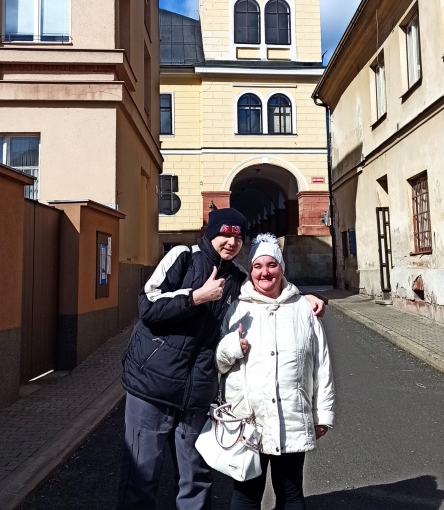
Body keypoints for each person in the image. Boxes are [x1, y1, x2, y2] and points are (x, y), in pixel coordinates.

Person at [117, 209, 327, 510]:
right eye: (225, 234)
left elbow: (268, 289)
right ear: (211, 233)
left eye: (238, 237)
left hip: (197, 393)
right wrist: (196, 297)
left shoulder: (237, 279)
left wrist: (304, 298)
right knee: (141, 475)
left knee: (195, 479)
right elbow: (147, 306)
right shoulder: (183, 257)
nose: (231, 242)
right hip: (152, 386)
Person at [215, 233, 334, 510]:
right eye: (258, 266)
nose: (265, 272)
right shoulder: (237, 309)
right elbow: (219, 363)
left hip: (291, 417)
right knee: (245, 495)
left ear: (281, 268)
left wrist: (323, 414)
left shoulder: (303, 309)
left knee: (291, 493)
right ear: (250, 271)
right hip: (248, 421)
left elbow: (321, 365)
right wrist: (232, 347)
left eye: (271, 265)